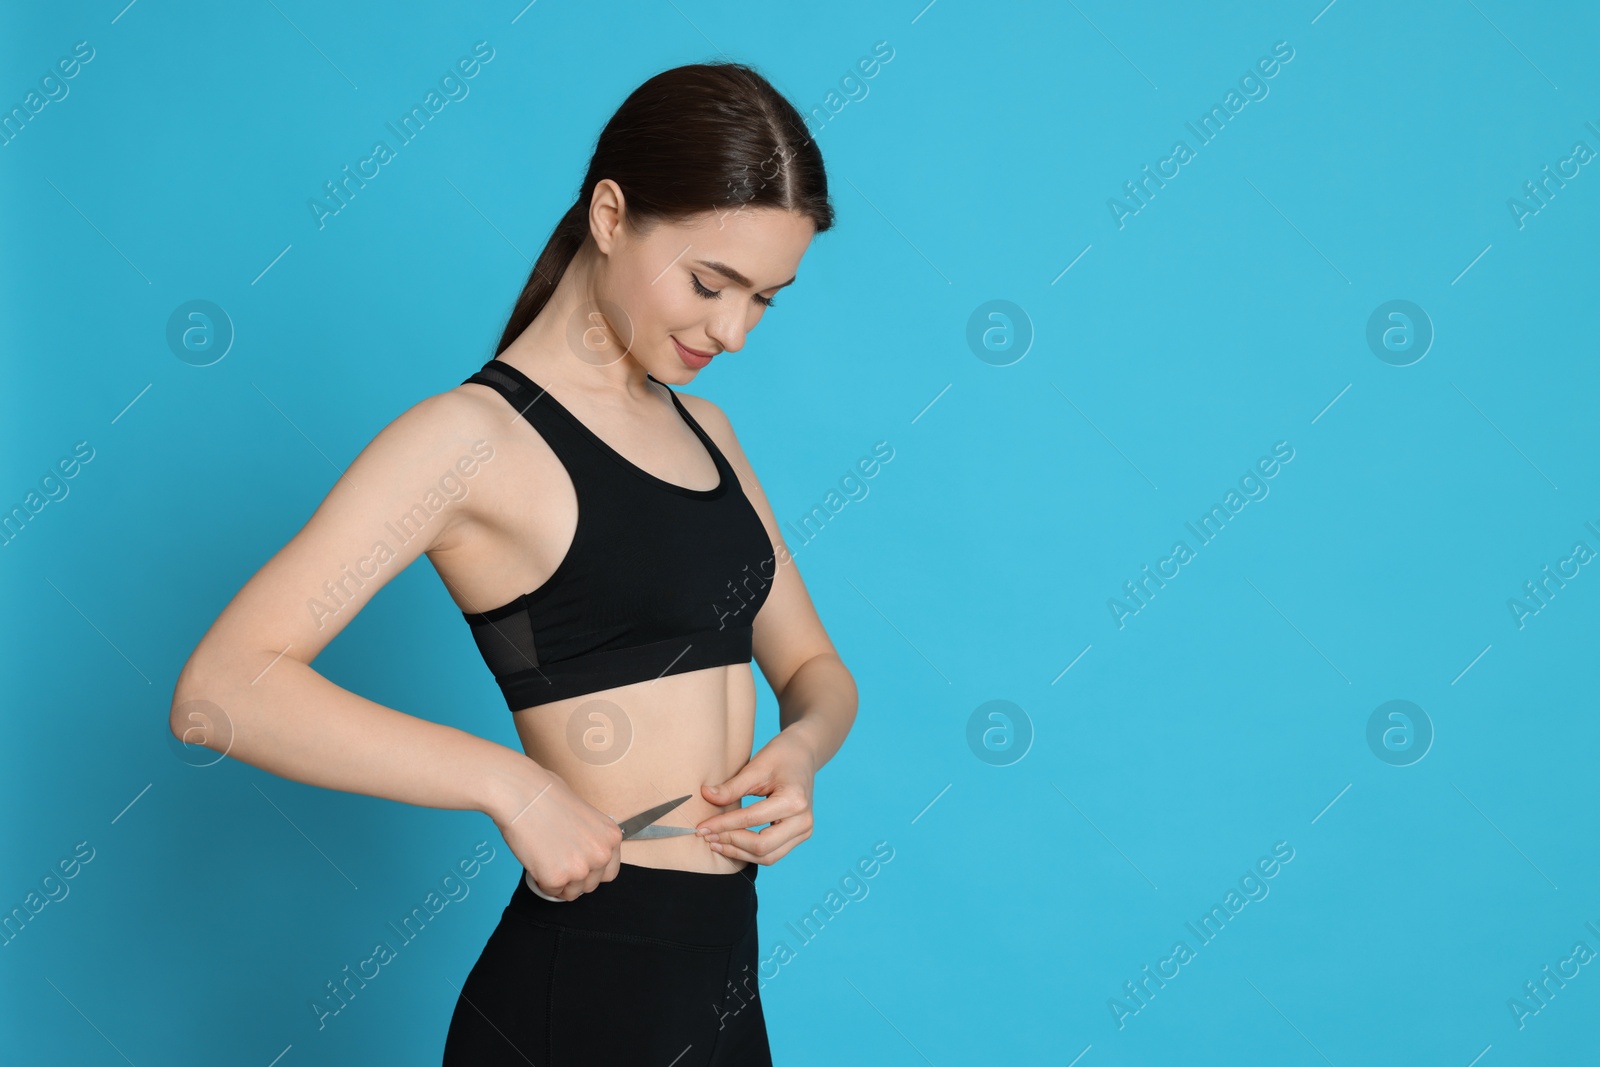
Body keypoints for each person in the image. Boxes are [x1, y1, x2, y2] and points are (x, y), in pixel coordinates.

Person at [169, 60, 857, 1065]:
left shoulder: (709, 431)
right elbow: (220, 688)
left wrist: (801, 750)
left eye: (765, 300)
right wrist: (511, 786)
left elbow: (814, 671)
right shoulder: (468, 442)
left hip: (717, 978)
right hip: (580, 989)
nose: (732, 332)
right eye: (712, 283)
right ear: (612, 214)